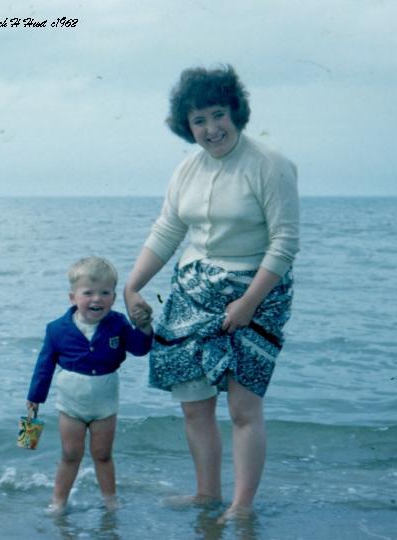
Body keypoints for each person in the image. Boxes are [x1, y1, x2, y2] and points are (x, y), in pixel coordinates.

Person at [124, 65, 299, 520]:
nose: (210, 128)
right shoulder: (187, 169)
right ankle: (207, 494)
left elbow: (284, 244)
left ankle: (241, 505)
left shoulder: (270, 165)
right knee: (194, 403)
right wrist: (132, 285)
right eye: (198, 120)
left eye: (217, 115)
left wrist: (248, 303)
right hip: (194, 288)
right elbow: (167, 231)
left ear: (235, 112)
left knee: (243, 407)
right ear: (187, 126)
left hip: (256, 288)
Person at [26, 256, 153, 514]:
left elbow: (140, 349)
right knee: (71, 454)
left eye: (105, 293)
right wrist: (34, 400)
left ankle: (110, 501)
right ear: (73, 297)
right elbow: (44, 366)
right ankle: (59, 502)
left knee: (102, 454)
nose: (97, 299)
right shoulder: (56, 329)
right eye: (88, 293)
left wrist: (144, 326)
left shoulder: (118, 323)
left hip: (105, 402)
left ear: (114, 298)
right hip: (71, 404)